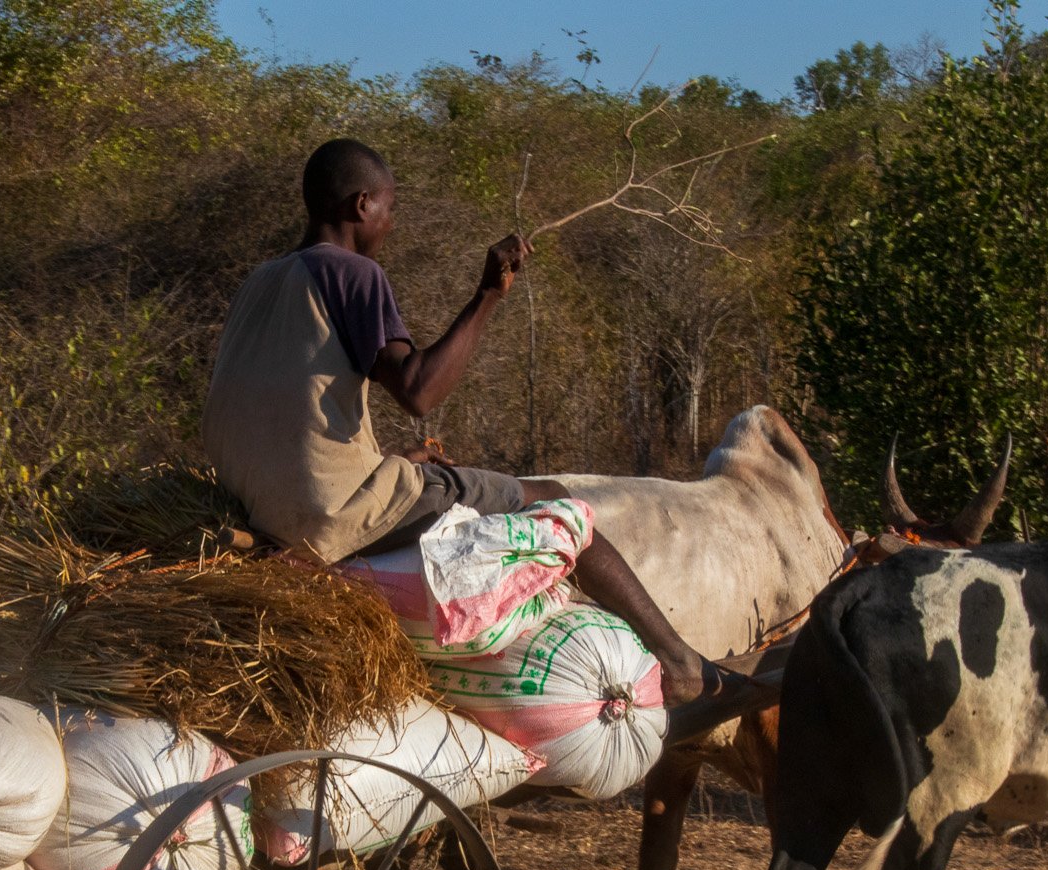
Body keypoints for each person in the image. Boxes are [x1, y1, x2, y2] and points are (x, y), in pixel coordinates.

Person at [202, 137, 751, 717]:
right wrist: (488, 295)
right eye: (390, 207)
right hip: (329, 513)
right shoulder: (354, 273)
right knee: (558, 501)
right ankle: (684, 664)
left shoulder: (262, 281)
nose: (392, 222)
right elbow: (419, 390)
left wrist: (393, 459)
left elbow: (290, 414)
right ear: (362, 205)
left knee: (422, 468)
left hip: (256, 505)